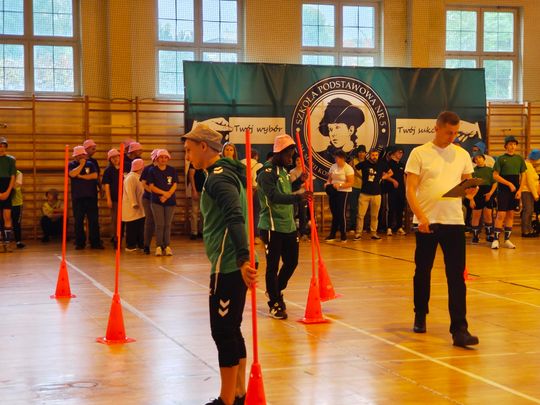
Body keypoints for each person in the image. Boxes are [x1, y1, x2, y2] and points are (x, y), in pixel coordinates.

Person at [182, 123, 257, 405]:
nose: (187, 155)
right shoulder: (225, 173)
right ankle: (238, 394)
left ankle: (226, 400)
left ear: (204, 147)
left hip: (228, 265)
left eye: (189, 150)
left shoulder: (218, 178)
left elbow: (235, 216)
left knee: (223, 331)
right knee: (232, 328)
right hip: (231, 262)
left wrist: (243, 259)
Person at [405, 110, 479, 348]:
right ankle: (420, 314)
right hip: (427, 222)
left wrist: (471, 190)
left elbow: (468, 183)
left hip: (454, 221)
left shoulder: (462, 154)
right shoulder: (419, 153)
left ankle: (460, 329)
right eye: (449, 132)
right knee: (423, 271)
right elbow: (410, 188)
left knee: (457, 276)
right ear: (436, 128)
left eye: (456, 133)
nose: (452, 137)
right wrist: (420, 217)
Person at [257, 134, 311, 320]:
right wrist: (298, 197)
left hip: (288, 225)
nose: (291, 158)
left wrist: (299, 181)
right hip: (272, 226)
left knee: (292, 262)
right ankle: (275, 303)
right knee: (272, 266)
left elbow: (286, 189)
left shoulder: (283, 171)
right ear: (279, 152)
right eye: (289, 155)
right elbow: (274, 196)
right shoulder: (266, 173)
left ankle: (275, 290)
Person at [491, 136, 527, 249]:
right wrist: (509, 184)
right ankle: (496, 239)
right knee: (501, 214)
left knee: (511, 214)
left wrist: (520, 190)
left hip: (515, 191)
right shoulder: (501, 159)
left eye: (514, 144)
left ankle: (507, 239)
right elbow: (495, 175)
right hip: (503, 190)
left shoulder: (519, 159)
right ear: (506, 146)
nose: (513, 146)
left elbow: (523, 175)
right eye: (510, 144)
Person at [69, 145, 104, 250]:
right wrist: (81, 165)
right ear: (75, 156)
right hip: (78, 198)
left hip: (91, 196)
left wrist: (81, 176)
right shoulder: (71, 165)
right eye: (79, 155)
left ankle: (95, 243)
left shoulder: (91, 164)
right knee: (78, 221)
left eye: (82, 155)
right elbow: (72, 174)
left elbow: (94, 176)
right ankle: (80, 243)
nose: (81, 157)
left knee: (94, 220)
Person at [354, 149, 392, 240]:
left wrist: (383, 177)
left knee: (375, 215)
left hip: (377, 194)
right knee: (360, 215)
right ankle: (358, 233)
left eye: (376, 155)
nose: (374, 157)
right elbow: (354, 168)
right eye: (373, 155)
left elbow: (391, 172)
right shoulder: (364, 164)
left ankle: (374, 233)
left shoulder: (382, 164)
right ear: (369, 155)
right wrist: (359, 176)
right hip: (364, 193)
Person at [147, 149, 177, 256]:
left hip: (170, 201)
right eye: (161, 157)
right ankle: (159, 246)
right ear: (157, 159)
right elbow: (151, 186)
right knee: (160, 224)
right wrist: (164, 194)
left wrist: (168, 195)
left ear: (168, 159)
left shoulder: (172, 170)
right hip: (157, 201)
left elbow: (174, 184)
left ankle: (167, 246)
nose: (163, 159)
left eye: (165, 157)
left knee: (167, 225)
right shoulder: (152, 170)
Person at [317, 97, 365, 163]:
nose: (333, 134)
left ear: (351, 130)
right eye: (330, 129)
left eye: (337, 127)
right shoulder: (323, 155)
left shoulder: (358, 156)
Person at [324, 150, 354, 242]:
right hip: (333, 191)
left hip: (343, 192)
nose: (336, 159)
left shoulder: (348, 168)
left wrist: (340, 185)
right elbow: (329, 178)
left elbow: (351, 183)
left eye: (337, 157)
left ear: (342, 158)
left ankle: (343, 235)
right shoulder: (333, 166)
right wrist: (327, 183)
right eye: (335, 157)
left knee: (341, 213)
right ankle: (332, 235)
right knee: (334, 213)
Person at [469, 154, 497, 244]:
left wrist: (490, 193)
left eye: (480, 158)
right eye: (476, 159)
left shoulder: (490, 170)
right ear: (474, 161)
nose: (478, 160)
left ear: (484, 159)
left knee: (488, 215)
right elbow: (470, 186)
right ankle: (475, 236)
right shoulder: (472, 171)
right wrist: (471, 199)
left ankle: (489, 235)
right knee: (476, 216)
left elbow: (495, 183)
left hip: (488, 193)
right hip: (477, 194)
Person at [240, 149, 263, 244]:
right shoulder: (259, 165)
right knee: (256, 213)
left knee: (245, 213)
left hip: (244, 190)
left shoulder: (240, 163)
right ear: (256, 156)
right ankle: (256, 236)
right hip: (255, 190)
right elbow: (260, 180)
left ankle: (245, 236)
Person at [122, 158, 145, 252]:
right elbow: (130, 191)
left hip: (140, 207)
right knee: (132, 227)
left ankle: (140, 244)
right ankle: (130, 245)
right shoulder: (131, 177)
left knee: (139, 227)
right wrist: (134, 203)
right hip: (132, 207)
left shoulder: (138, 176)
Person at [140, 149, 159, 254]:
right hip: (148, 198)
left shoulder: (164, 169)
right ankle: (146, 245)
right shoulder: (147, 169)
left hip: (160, 199)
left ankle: (160, 245)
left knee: (160, 222)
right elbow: (143, 184)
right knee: (149, 221)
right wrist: (154, 193)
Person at [385, 146, 407, 236]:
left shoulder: (402, 165)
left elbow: (404, 177)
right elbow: (384, 175)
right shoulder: (388, 163)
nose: (400, 154)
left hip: (401, 190)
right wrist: (393, 181)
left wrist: (406, 188)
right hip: (391, 189)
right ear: (394, 153)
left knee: (400, 209)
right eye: (399, 152)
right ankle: (389, 228)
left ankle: (399, 227)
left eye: (402, 153)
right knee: (391, 208)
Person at [102, 148, 121, 247]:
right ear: (110, 159)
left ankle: (122, 237)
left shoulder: (125, 167)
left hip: (125, 199)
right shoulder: (108, 170)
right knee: (115, 220)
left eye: (117, 157)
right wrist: (108, 199)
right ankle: (115, 238)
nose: (115, 159)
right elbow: (106, 185)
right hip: (115, 198)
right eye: (113, 158)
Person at [289, 154, 309, 240]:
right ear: (295, 161)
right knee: (293, 214)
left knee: (303, 215)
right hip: (295, 196)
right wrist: (303, 184)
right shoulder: (292, 172)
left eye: (300, 160)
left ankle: (303, 233)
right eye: (297, 160)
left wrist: (304, 184)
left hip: (303, 196)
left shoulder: (306, 171)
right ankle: (293, 233)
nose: (299, 162)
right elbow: (294, 185)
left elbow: (309, 184)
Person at [520, 149, 540, 237]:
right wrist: (535, 195)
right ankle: (525, 231)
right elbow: (530, 182)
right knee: (527, 211)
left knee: (530, 210)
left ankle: (529, 230)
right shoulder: (527, 165)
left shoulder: (529, 165)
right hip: (527, 191)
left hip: (530, 191)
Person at [348, 145, 367, 232]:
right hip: (354, 187)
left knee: (363, 209)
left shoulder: (368, 162)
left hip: (364, 188)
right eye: (360, 152)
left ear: (365, 153)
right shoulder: (353, 162)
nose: (361, 154)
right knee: (353, 208)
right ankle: (352, 226)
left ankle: (362, 227)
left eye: (363, 152)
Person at [188, 161, 206, 240]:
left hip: (206, 191)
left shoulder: (207, 160)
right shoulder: (194, 161)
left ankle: (202, 231)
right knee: (194, 211)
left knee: (204, 212)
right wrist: (194, 190)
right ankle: (194, 232)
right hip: (197, 189)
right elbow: (191, 175)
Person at [11, 168, 24, 248]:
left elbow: (18, 183)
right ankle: (5, 242)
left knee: (16, 223)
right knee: (3, 222)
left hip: (17, 203)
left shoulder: (18, 173)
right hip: (4, 202)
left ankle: (18, 242)